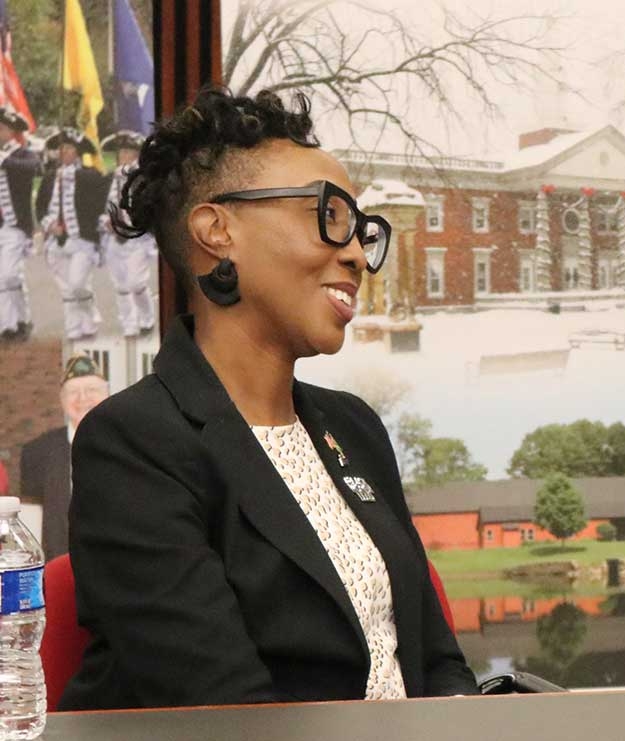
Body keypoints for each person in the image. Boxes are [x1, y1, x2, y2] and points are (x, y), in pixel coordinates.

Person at [60, 87, 476, 709]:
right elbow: (231, 714)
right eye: (330, 217)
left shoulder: (353, 426)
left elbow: (435, 659)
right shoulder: (132, 445)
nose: (359, 255)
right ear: (217, 230)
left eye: (362, 232)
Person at [18, 354, 109, 560]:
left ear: (107, 395)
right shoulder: (37, 452)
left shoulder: (129, 444)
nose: (82, 398)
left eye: (91, 390)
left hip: (117, 569)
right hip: (58, 569)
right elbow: (31, 522)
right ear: (62, 400)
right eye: (73, 392)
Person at [36, 128, 109, 341]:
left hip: (81, 240)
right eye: (60, 148)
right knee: (68, 290)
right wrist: (50, 225)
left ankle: (90, 310)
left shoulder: (89, 176)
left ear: (77, 152)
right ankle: (76, 328)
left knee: (77, 284)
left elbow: (101, 204)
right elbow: (40, 207)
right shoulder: (50, 178)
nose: (63, 152)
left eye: (68, 148)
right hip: (56, 241)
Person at [99, 130, 157, 337]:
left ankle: (147, 317)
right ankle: (129, 324)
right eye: (121, 152)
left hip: (137, 237)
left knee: (136, 282)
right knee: (121, 285)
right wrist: (108, 220)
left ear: (136, 154)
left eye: (127, 152)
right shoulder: (114, 176)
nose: (123, 156)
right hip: (116, 237)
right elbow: (109, 205)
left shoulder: (142, 178)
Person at [0, 108, 39, 340]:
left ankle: (12, 324)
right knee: (7, 278)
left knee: (7, 276)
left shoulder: (22, 154)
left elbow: (32, 169)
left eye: (2, 128)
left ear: (13, 133)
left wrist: (4, 159)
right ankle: (16, 322)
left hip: (15, 227)